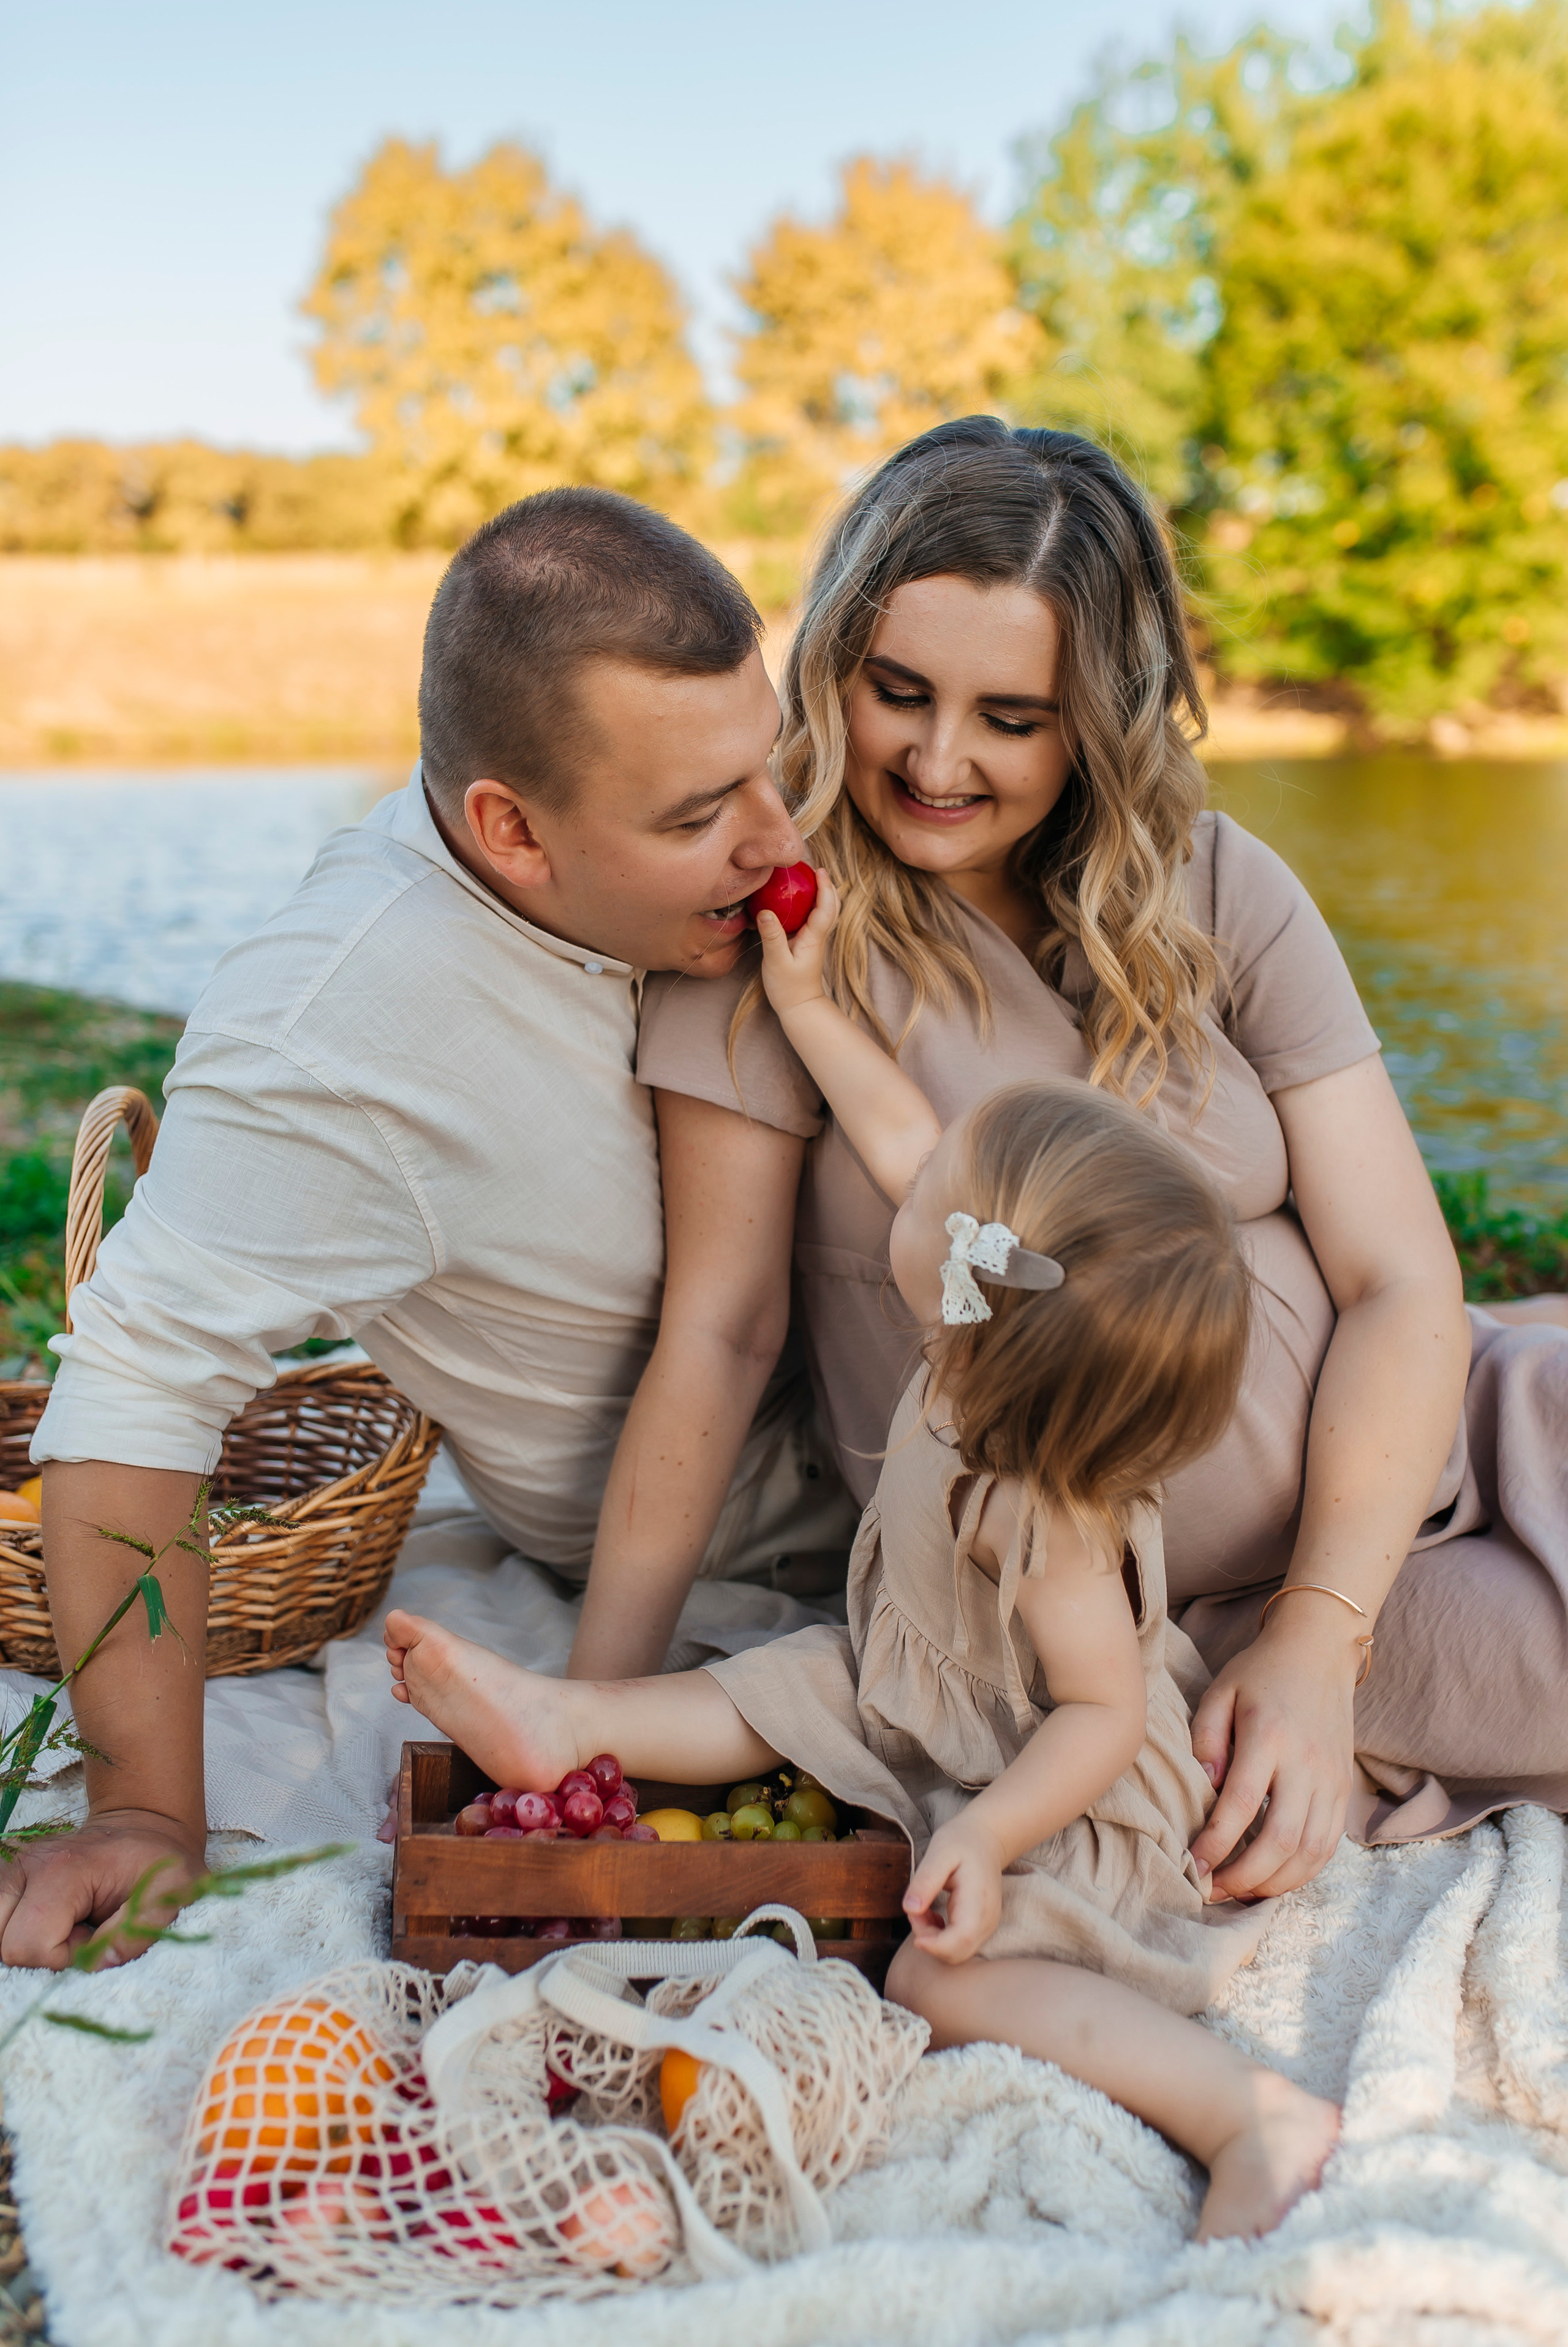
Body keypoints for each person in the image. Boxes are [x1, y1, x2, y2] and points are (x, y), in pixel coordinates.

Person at [579, 414, 1568, 1902]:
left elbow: (1397, 1279)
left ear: (1095, 717)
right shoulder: (775, 951)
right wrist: (596, 1712)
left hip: (1420, 1478)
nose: (934, 757)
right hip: (1134, 1625)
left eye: (1010, 718)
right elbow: (720, 1337)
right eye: (894, 690)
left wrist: (1320, 1629)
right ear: (831, 659)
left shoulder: (1217, 888)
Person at [384, 881, 1342, 2241]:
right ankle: (566, 1719)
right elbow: (903, 1132)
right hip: (926, 1696)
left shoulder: (1042, 1519)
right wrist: (807, 1006)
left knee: (939, 1985)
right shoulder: (984, 1299)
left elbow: (1102, 1712)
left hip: (1047, 1783)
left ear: (966, 1281)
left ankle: (1247, 2113)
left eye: (937, 1192)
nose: (907, 1174)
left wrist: (989, 1829)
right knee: (779, 1684)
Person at [9, 488, 856, 1973]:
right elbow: (130, 1396)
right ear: (508, 831)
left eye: (764, 772)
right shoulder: (335, 1035)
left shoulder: (683, 888)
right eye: (694, 816)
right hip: (774, 1564)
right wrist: (147, 1813)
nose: (774, 842)